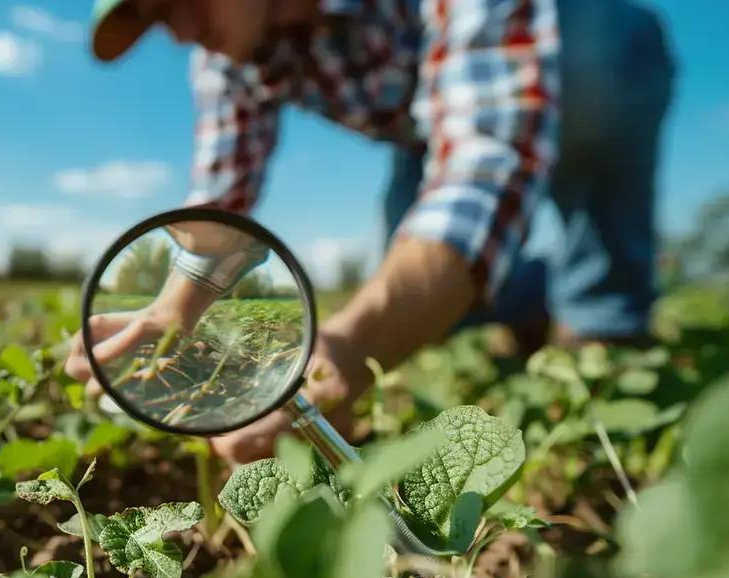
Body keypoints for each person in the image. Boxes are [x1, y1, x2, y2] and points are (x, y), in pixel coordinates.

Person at [64, 0, 675, 463]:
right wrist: (172, 309)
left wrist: (350, 347)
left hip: (568, 43)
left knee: (598, 74)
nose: (180, 32)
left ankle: (603, 325)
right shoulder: (229, 54)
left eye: (174, 0)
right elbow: (221, 205)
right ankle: (536, 303)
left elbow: (486, 161)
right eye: (154, 18)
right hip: (424, 130)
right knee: (420, 298)